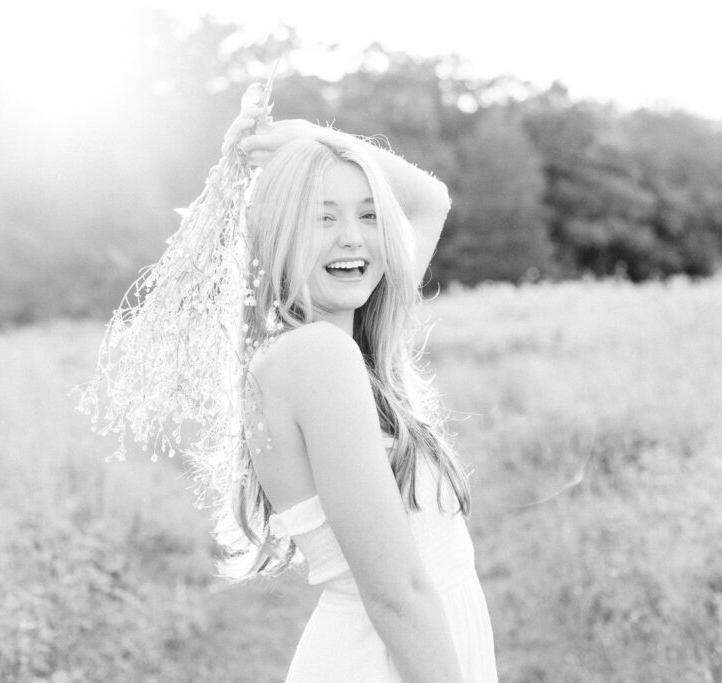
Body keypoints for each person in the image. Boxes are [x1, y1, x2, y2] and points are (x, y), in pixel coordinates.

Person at [217, 83, 498, 682]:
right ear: (277, 236)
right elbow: (396, 595)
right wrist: (312, 145)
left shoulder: (344, 347)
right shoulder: (317, 356)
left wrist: (313, 139)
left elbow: (430, 202)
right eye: (323, 217)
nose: (353, 237)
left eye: (369, 214)